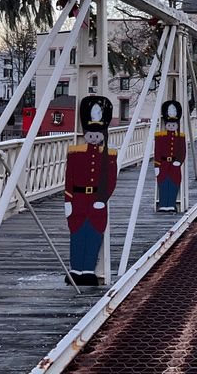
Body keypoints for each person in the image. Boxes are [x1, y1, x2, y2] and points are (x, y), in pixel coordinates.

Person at [64, 96, 117, 286]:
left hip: (96, 200)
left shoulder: (109, 156)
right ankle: (75, 270)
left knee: (94, 234)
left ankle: (88, 270)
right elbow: (69, 177)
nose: (94, 137)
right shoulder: (75, 152)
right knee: (77, 234)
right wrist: (68, 201)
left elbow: (111, 180)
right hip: (78, 199)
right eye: (90, 133)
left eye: (98, 134)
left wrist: (102, 198)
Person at [154, 100, 186, 212]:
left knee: (174, 183)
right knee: (163, 184)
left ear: (176, 125)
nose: (171, 126)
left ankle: (171, 204)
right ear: (166, 125)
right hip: (163, 164)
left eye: (173, 125)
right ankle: (163, 204)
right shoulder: (160, 136)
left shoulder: (180, 137)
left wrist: (179, 161)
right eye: (169, 125)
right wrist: (156, 165)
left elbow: (183, 151)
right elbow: (157, 151)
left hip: (174, 165)